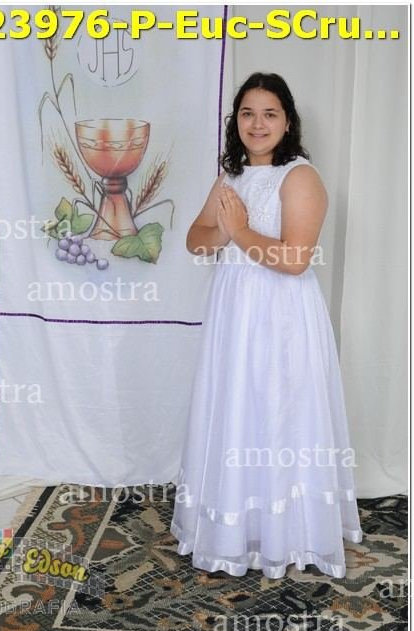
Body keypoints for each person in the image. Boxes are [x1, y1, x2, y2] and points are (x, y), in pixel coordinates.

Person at [170, 71, 363, 579]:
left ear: (288, 122)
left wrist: (237, 231)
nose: (257, 124)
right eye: (247, 114)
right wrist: (223, 232)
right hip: (234, 312)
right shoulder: (230, 178)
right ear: (236, 121)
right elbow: (195, 239)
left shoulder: (299, 177)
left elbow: (295, 260)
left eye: (269, 114)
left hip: (281, 314)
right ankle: (235, 527)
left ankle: (287, 532)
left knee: (280, 412)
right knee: (237, 408)